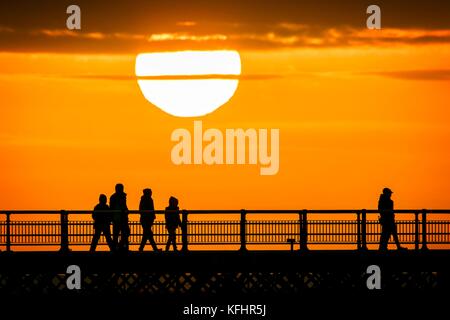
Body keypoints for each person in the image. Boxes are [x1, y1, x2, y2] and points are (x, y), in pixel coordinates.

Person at [110, 183, 129, 252]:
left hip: (118, 218)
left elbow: (111, 208)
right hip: (120, 218)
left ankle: (117, 248)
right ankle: (122, 247)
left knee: (117, 234)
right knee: (124, 233)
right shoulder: (121, 196)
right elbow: (123, 206)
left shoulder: (113, 197)